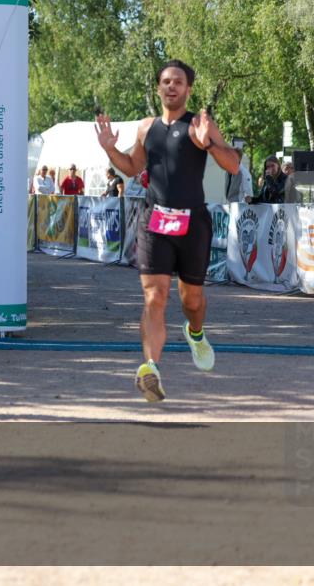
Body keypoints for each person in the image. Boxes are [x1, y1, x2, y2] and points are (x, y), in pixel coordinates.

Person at [95, 59, 239, 402]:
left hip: (193, 223)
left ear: (188, 89)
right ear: (158, 88)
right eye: (165, 81)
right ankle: (150, 369)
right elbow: (132, 167)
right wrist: (110, 149)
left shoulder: (201, 125)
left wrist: (209, 144)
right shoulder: (147, 128)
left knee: (192, 300)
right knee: (155, 296)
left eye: (177, 82)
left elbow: (233, 163)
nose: (170, 86)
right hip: (154, 220)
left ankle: (196, 332)